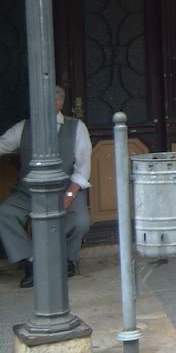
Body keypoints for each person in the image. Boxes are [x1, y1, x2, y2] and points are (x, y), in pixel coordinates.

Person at [0, 86, 92, 288]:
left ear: (60, 103)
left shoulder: (76, 127)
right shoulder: (24, 127)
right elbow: (2, 144)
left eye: (50, 101)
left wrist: (68, 196)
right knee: (4, 214)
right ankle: (34, 260)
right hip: (29, 191)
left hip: (66, 187)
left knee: (80, 221)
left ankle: (66, 259)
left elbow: (82, 169)